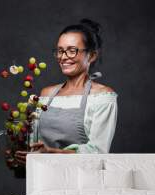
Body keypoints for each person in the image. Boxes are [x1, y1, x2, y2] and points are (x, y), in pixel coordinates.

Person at [15, 19, 118, 164]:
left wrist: (51, 153)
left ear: (92, 55)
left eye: (72, 50)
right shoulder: (46, 94)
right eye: (60, 51)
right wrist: (20, 157)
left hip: (81, 182)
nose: (63, 57)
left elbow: (97, 153)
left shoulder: (101, 97)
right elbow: (34, 146)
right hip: (42, 180)